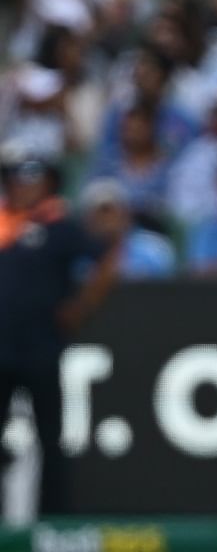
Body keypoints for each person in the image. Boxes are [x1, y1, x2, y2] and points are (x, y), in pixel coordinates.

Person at [0, 156, 118, 515]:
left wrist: (81, 306)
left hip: (42, 347)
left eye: (34, 181)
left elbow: (105, 254)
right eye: (21, 180)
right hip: (1, 350)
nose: (26, 188)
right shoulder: (4, 225)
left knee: (50, 438)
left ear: (47, 185)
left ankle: (53, 518)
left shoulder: (60, 225)